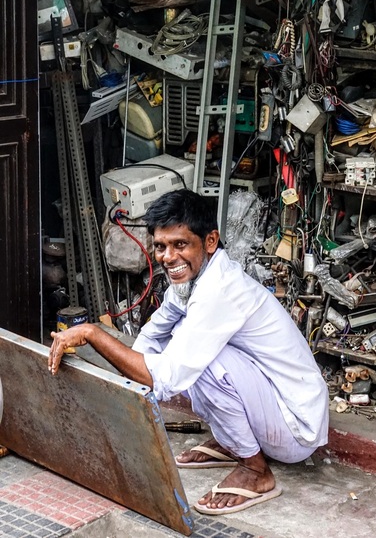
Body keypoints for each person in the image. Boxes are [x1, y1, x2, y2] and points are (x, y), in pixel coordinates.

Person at [48, 189, 329, 515]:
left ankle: (256, 470)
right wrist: (131, 391)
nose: (168, 257)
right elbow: (153, 334)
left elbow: (166, 377)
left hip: (295, 429)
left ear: (210, 242)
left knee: (200, 357)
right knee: (179, 340)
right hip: (272, 409)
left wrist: (94, 333)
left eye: (180, 245)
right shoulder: (191, 280)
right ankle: (232, 442)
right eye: (161, 246)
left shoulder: (219, 291)